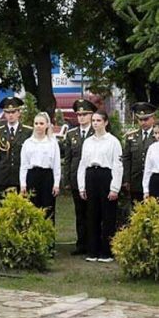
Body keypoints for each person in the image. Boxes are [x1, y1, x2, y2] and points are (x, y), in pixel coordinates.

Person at [77, 111, 122, 263]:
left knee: (108, 215)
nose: (95, 123)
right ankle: (92, 250)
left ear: (105, 122)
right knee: (92, 214)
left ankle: (107, 251)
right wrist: (82, 186)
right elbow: (83, 164)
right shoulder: (88, 142)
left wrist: (115, 187)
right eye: (93, 120)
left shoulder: (113, 141)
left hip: (105, 176)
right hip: (91, 176)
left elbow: (117, 165)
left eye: (98, 120)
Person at [62, 98, 96, 255]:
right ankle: (81, 243)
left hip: (92, 177)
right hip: (76, 178)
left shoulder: (97, 132)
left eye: (85, 114)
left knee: (93, 212)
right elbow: (68, 159)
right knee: (79, 213)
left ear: (91, 115)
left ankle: (93, 243)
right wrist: (67, 180)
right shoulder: (71, 134)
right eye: (79, 114)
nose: (81, 117)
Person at [20, 112, 61, 222]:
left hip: (47, 176)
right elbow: (23, 165)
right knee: (32, 207)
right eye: (36, 123)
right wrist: (23, 184)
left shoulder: (52, 143)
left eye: (41, 123)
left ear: (47, 125)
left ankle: (48, 236)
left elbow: (57, 165)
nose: (38, 126)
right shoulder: (28, 143)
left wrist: (56, 184)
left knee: (48, 207)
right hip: (32, 176)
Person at [0, 96, 32, 193]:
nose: (10, 115)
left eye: (13, 112)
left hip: (21, 177)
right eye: (7, 112)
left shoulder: (28, 132)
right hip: (3, 177)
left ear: (19, 113)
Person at [122, 102, 157, 204]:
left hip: (153, 181)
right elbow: (127, 159)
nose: (143, 122)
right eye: (140, 119)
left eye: (146, 119)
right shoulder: (131, 137)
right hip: (135, 181)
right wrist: (126, 179)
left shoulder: (157, 136)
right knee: (135, 210)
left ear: (152, 118)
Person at [141, 122, 159, 199]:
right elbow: (147, 170)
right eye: (156, 133)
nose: (158, 136)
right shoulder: (152, 148)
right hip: (155, 181)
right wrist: (146, 190)